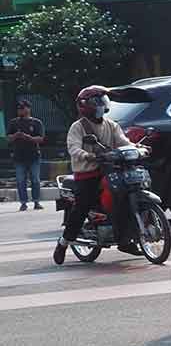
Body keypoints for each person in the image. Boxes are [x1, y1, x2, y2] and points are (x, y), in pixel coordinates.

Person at [56, 85, 135, 263]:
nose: (100, 104)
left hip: (110, 169)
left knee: (125, 195)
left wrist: (137, 148)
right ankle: (64, 242)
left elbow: (124, 142)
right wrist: (87, 155)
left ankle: (125, 239)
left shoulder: (112, 125)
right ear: (85, 105)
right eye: (96, 101)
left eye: (102, 100)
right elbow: (73, 147)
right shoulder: (78, 127)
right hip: (87, 173)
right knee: (81, 207)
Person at [9, 99, 44, 211]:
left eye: (22, 108)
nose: (20, 110)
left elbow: (41, 138)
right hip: (19, 156)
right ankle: (23, 203)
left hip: (33, 155)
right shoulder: (13, 122)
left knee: (35, 179)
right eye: (19, 108)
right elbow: (8, 138)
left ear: (28, 109)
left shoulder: (36, 122)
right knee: (20, 180)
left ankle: (36, 201)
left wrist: (28, 138)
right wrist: (16, 136)